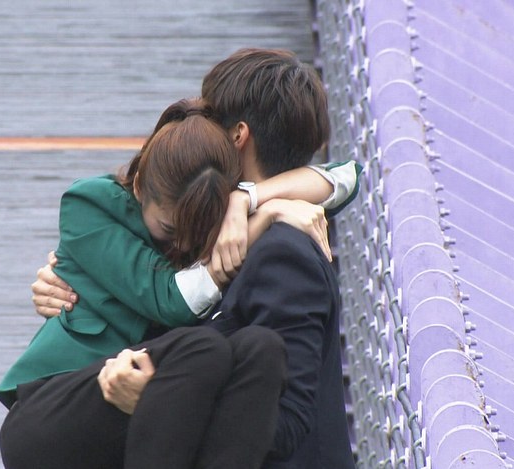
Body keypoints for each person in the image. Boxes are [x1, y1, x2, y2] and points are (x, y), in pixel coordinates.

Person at [27, 48, 357, 468]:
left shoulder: (281, 254)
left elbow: (286, 421)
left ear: (236, 137)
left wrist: (164, 398)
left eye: (209, 121)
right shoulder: (227, 230)